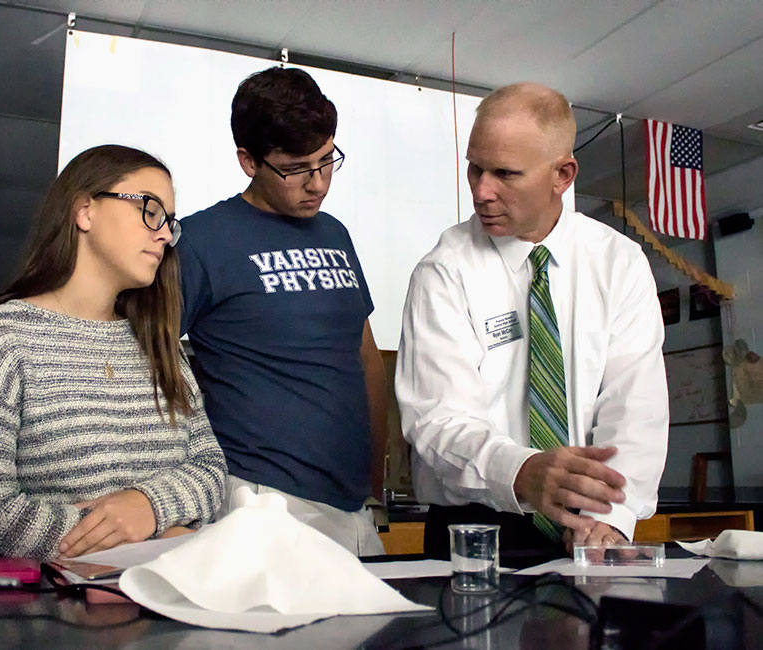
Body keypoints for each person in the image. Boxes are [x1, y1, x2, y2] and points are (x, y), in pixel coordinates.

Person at [396, 82, 668, 561]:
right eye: (474, 167)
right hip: (474, 527)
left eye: (505, 173)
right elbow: (436, 419)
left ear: (562, 174)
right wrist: (522, 472)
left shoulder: (619, 263)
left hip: (591, 527)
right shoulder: (444, 270)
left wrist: (609, 519)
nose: (482, 191)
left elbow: (636, 406)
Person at [0, 145, 227, 560]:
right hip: (52, 617)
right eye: (150, 210)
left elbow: (211, 472)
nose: (165, 234)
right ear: (85, 211)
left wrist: (147, 506)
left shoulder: (159, 345)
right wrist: (137, 539)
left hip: (173, 607)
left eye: (170, 222)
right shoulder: (0, 339)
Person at [176, 67, 388, 556]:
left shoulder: (335, 233)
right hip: (259, 503)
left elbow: (365, 359)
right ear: (248, 161)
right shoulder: (199, 241)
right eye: (296, 168)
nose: (318, 183)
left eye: (327, 160)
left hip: (354, 509)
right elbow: (146, 367)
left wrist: (374, 486)